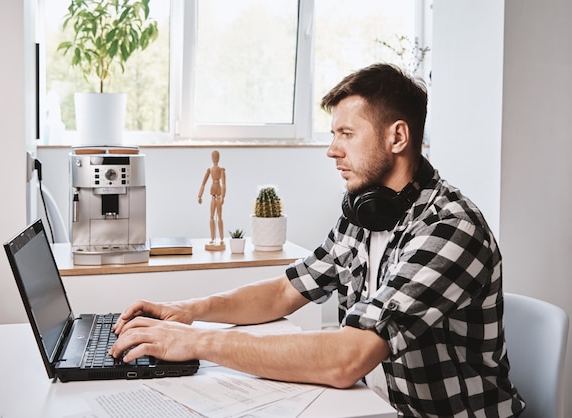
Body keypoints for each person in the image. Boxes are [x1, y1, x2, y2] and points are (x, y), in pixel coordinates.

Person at [110, 63, 525, 417]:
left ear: (397, 138)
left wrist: (196, 343)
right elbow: (283, 292)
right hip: (373, 407)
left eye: (346, 134)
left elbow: (349, 357)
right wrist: (186, 311)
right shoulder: (366, 212)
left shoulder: (450, 228)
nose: (331, 150)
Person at [198, 150, 226, 246]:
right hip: (213, 196)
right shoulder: (209, 170)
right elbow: (203, 183)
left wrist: (223, 196)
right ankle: (213, 238)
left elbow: (224, 184)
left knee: (219, 217)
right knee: (211, 217)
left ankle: (221, 238)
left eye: (216, 157)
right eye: (214, 157)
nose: (215, 159)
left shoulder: (221, 170)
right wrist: (200, 195)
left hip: (218, 196)